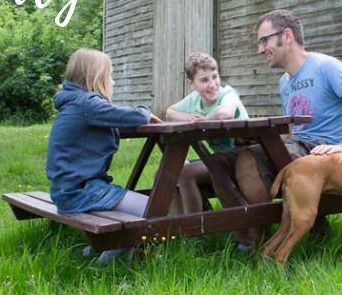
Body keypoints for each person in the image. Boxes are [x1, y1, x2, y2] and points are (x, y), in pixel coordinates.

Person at [233, 9, 342, 249]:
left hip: (324, 152)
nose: (260, 49)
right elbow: (291, 132)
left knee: (248, 160)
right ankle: (280, 229)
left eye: (264, 40)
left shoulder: (326, 67)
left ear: (287, 35)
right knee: (230, 158)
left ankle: (254, 240)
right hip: (298, 145)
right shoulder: (284, 82)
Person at [46, 48, 162, 264]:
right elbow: (130, 115)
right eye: (110, 76)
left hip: (67, 190)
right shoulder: (87, 104)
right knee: (154, 209)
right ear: (96, 77)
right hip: (81, 192)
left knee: (147, 207)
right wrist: (145, 113)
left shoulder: (74, 103)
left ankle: (101, 253)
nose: (113, 82)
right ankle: (105, 261)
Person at [165, 52, 249, 216]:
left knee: (185, 174)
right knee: (167, 171)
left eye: (214, 77)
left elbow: (226, 113)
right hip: (220, 158)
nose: (212, 84)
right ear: (192, 84)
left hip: (244, 158)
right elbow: (169, 112)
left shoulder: (227, 94)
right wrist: (187, 117)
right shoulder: (195, 99)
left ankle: (194, 228)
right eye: (204, 80)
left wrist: (202, 121)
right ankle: (177, 226)